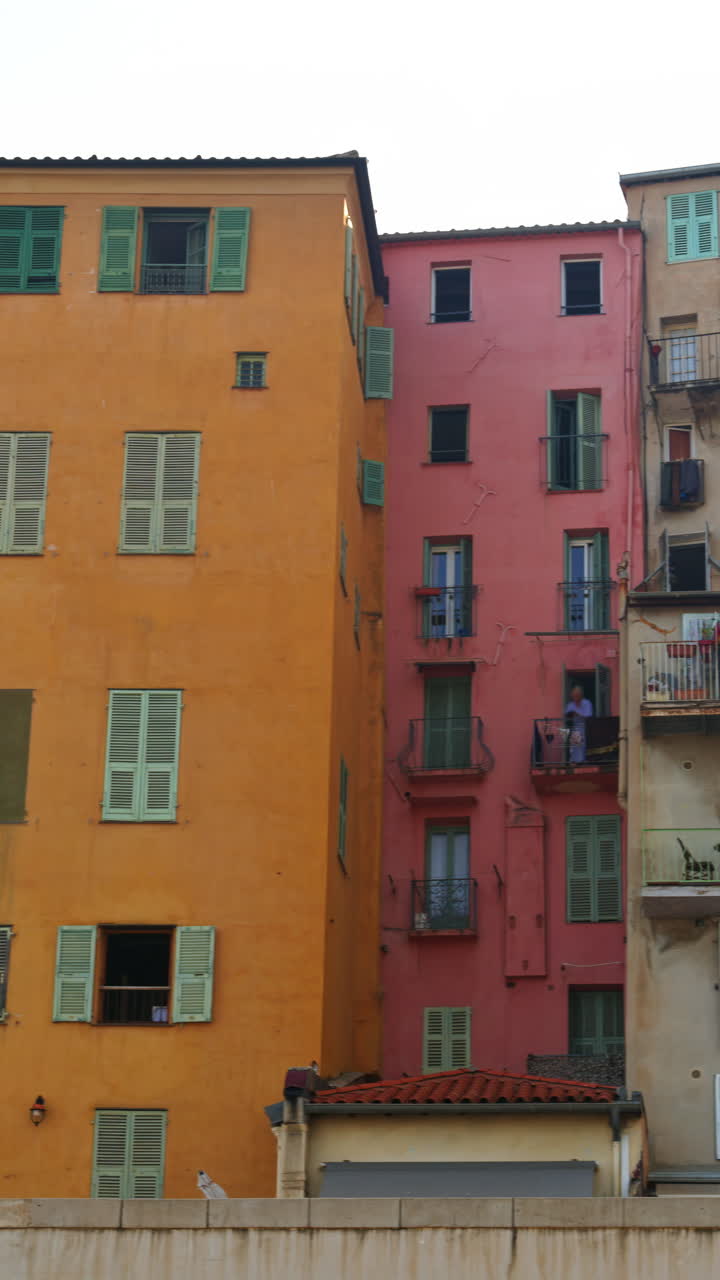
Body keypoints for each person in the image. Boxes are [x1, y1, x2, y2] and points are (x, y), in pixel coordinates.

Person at [565, 685, 593, 764]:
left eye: (577, 695)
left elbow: (588, 716)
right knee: (574, 746)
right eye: (574, 695)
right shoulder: (570, 705)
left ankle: (583, 761)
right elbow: (566, 717)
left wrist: (577, 714)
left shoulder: (587, 703)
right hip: (574, 728)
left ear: (581, 695)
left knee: (582, 745)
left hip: (585, 727)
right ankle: (574, 761)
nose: (575, 697)